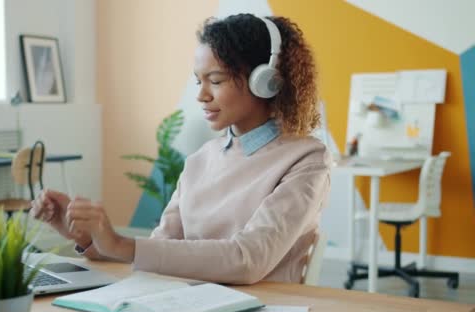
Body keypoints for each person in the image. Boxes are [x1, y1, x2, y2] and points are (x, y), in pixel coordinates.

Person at [31, 14, 330, 285]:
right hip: (187, 305)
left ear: (265, 80)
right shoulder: (201, 160)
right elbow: (161, 248)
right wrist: (86, 237)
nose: (201, 95)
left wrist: (121, 244)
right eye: (198, 81)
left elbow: (247, 259)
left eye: (215, 80)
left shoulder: (307, 159)